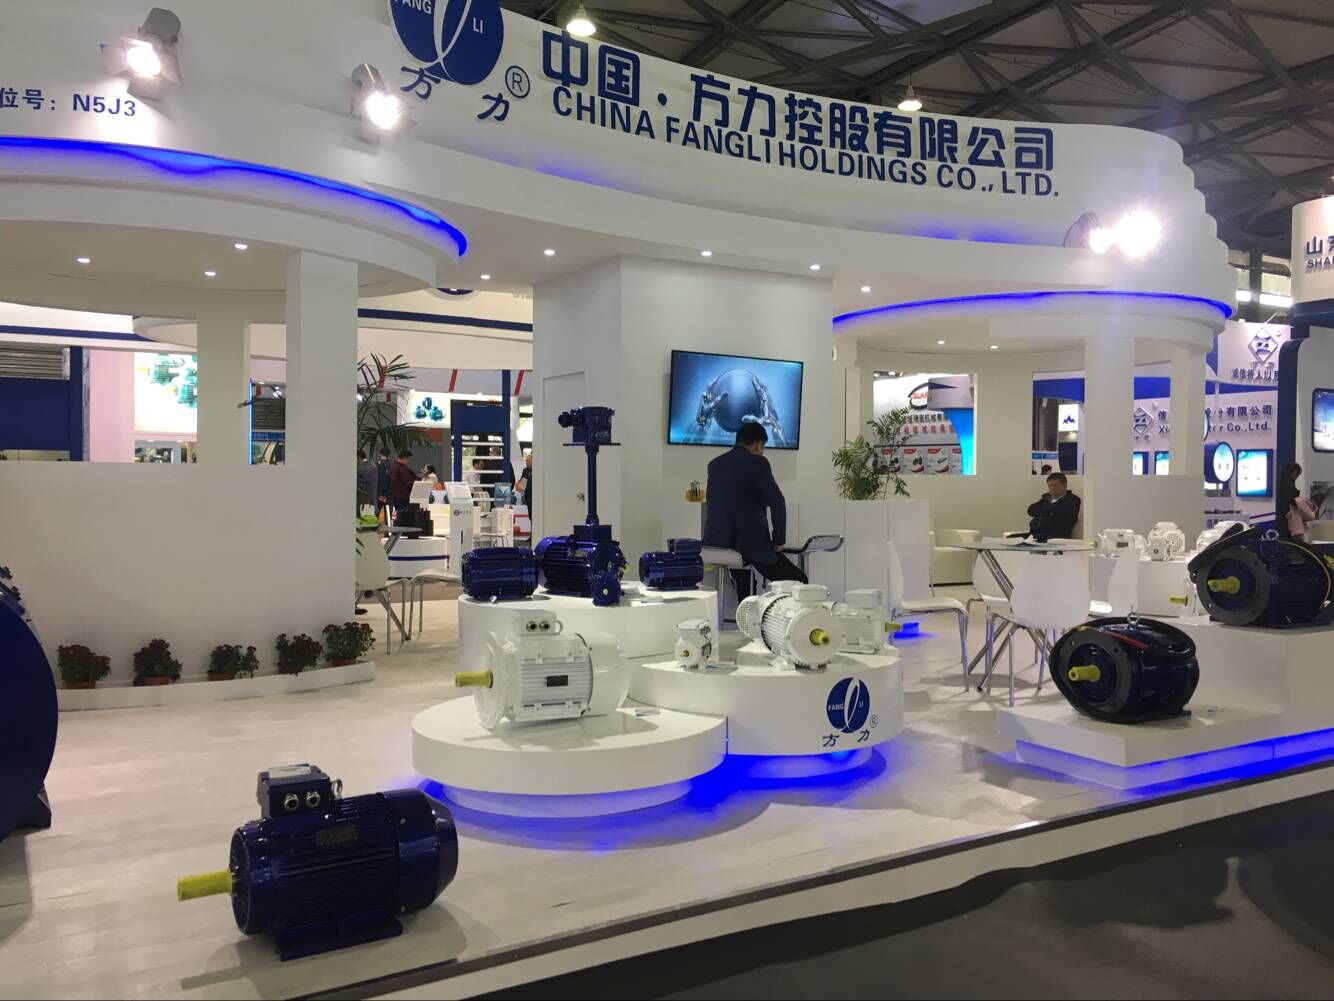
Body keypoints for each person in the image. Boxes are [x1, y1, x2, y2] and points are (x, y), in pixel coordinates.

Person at [703, 421, 806, 600]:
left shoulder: (714, 465)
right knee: (800, 582)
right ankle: (785, 616)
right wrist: (778, 540)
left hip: (717, 545)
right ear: (758, 444)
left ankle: (746, 612)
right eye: (762, 447)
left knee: (745, 587)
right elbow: (777, 501)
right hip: (748, 545)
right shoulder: (757, 462)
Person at [1027, 472, 1081, 541]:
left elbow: (1060, 511)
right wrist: (1049, 512)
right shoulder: (1046, 498)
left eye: (1056, 486)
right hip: (1034, 536)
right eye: (1050, 486)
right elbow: (1030, 510)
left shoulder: (1073, 500)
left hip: (1055, 538)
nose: (1052, 488)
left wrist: (1042, 511)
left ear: (1064, 485)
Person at [1277, 462, 1318, 541]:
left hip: (1286, 520)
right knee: (1294, 542)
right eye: (1297, 474)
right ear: (1294, 472)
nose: (1297, 477)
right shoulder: (1288, 485)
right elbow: (1291, 499)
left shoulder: (1283, 482)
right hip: (1291, 522)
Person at [388, 449, 419, 516]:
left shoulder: (392, 466)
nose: (409, 462)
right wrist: (417, 480)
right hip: (403, 497)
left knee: (397, 517)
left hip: (393, 496)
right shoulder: (402, 468)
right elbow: (409, 482)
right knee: (404, 517)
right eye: (409, 459)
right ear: (405, 458)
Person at [356, 449, 378, 514]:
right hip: (373, 504)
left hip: (362, 506)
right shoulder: (374, 467)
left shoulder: (359, 468)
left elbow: (360, 488)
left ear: (358, 457)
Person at [375, 447, 391, 517]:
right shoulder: (391, 465)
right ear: (389, 455)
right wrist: (386, 495)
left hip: (377, 494)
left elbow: (374, 480)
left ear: (380, 454)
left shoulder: (375, 465)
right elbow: (391, 481)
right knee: (388, 516)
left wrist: (379, 495)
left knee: (375, 516)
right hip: (388, 495)